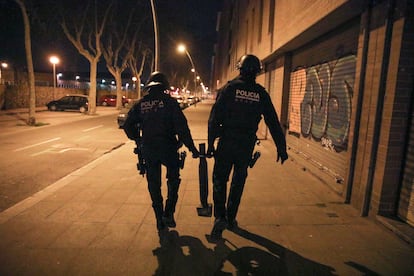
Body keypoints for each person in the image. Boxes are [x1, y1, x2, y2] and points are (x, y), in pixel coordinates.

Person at [207, 54, 288, 239]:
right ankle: (230, 217)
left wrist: (211, 142)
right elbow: (273, 122)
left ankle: (219, 217)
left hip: (226, 142)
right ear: (257, 72)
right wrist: (281, 148)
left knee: (220, 179)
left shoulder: (229, 89)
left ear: (240, 69)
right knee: (238, 182)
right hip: (245, 146)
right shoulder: (261, 94)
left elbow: (214, 118)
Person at [123, 71, 199, 233]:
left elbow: (128, 125)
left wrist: (138, 140)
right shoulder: (170, 103)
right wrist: (192, 148)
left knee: (154, 184)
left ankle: (159, 219)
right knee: (173, 181)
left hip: (149, 149)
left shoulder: (140, 104)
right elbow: (182, 128)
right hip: (169, 148)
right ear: (164, 86)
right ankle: (169, 213)